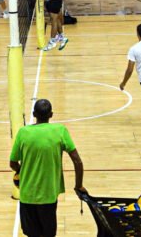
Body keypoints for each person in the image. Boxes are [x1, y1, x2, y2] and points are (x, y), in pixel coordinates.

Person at [10, 99, 87, 237]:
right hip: (49, 197)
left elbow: (13, 163)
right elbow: (78, 162)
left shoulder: (23, 132)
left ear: (34, 114)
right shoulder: (60, 131)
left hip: (27, 195)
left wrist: (22, 171)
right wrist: (78, 186)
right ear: (51, 114)